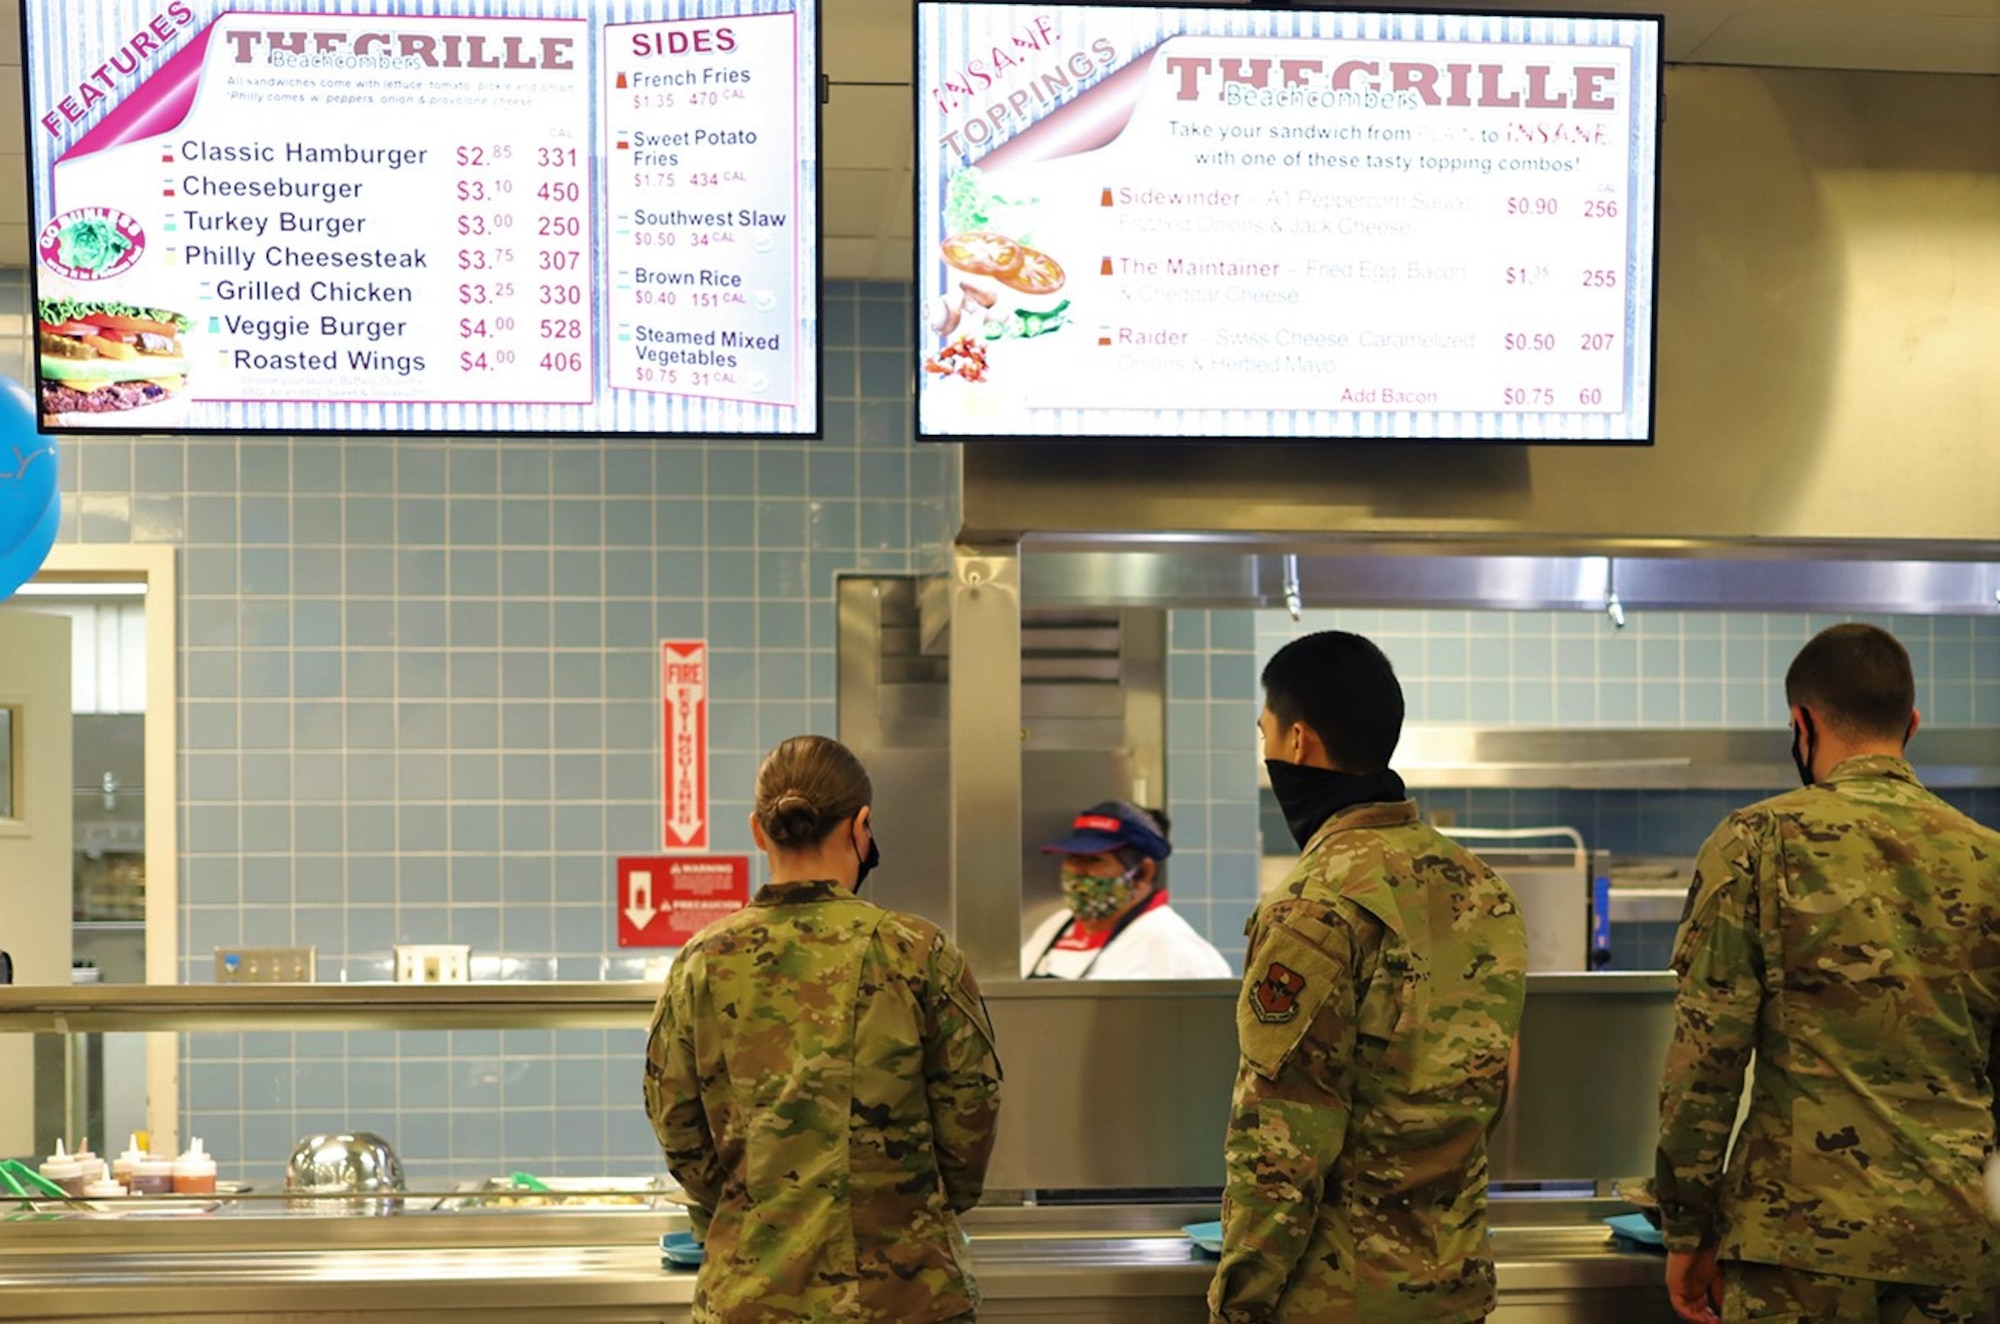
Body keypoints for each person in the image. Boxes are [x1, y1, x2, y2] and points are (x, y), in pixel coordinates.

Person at [1655, 623, 2000, 1324]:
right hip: (1959, 1244)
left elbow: (1707, 1062)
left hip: (1798, 1249)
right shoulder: (1989, 859)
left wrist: (1687, 1230)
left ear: (1801, 723)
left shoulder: (1755, 841)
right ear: (1911, 724)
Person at [1211, 631, 1527, 1324]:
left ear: (1297, 742)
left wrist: (1239, 1302)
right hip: (1453, 1286)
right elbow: (1494, 1082)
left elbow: (1281, 1142)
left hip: (1339, 1297)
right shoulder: (1480, 887)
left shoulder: (1313, 905)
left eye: (1263, 733)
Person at [644, 734, 1003, 1323]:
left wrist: (752, 1214)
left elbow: (680, 1133)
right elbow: (970, 1126)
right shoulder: (917, 952)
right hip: (905, 1299)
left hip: (752, 1299)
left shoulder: (701, 961)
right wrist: (904, 1214)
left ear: (758, 831)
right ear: (862, 827)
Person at [1020, 800, 1233, 979]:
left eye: (1093, 860)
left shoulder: (1176, 947)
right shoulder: (1056, 925)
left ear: (1143, 873)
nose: (1077, 872)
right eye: (1073, 858)